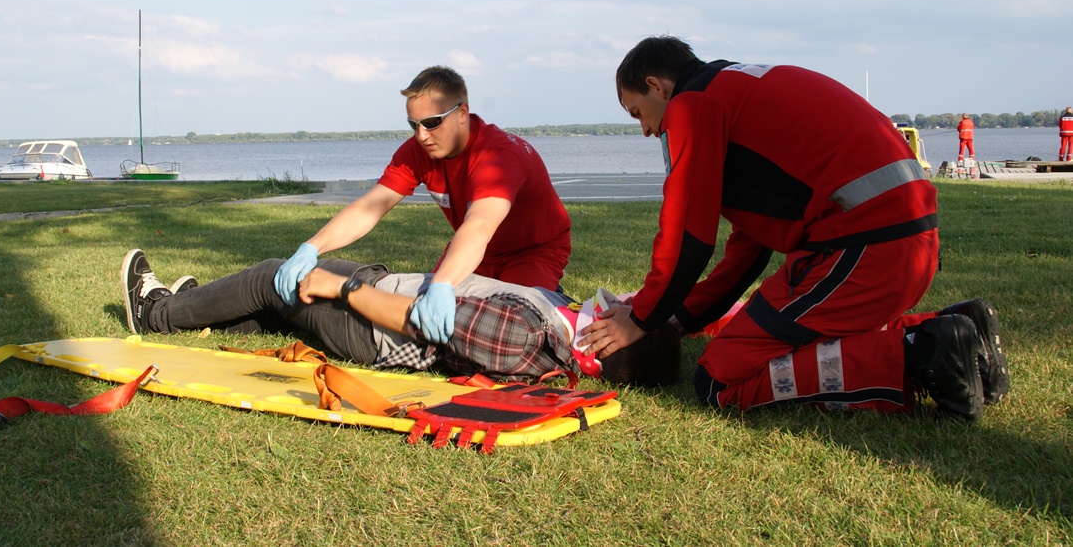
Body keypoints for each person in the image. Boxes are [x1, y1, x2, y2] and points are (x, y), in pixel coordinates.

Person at [580, 36, 1009, 421]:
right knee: (778, 342)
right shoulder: (734, 89)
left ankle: (924, 351)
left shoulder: (693, 105)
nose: (646, 130)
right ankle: (957, 328)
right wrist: (677, 319)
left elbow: (686, 236)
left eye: (639, 113)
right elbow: (749, 248)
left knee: (719, 379)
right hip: (905, 241)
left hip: (864, 248)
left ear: (657, 86)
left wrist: (640, 317)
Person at [274, 66, 571, 345]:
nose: (421, 136)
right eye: (413, 125)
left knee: (512, 325)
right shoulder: (418, 151)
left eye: (431, 123)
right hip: (476, 249)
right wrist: (311, 248)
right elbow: (371, 206)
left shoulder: (499, 156)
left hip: (533, 251)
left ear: (462, 113)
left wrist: (443, 285)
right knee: (423, 316)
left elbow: (480, 224)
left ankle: (550, 295)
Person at [120, 249, 679, 386]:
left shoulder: (524, 336)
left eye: (634, 315)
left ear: (606, 341)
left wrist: (344, 285)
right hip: (381, 296)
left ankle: (158, 314)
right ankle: (203, 308)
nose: (631, 302)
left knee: (273, 277)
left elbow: (420, 322)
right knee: (275, 307)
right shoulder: (560, 322)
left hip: (373, 326)